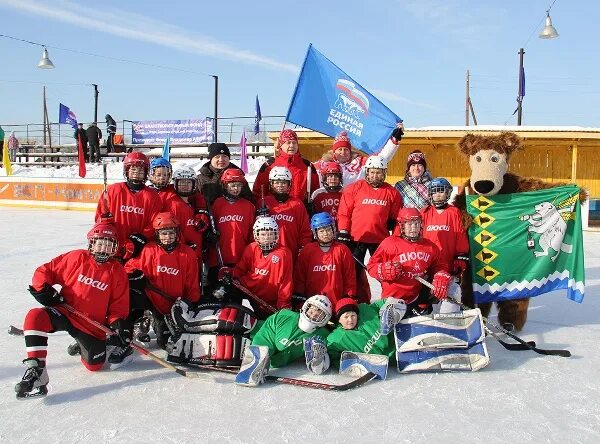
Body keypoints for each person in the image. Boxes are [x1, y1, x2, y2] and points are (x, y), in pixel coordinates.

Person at [14, 221, 130, 399]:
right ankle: (37, 370)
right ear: (92, 243)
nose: (103, 248)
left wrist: (118, 324)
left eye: (109, 244)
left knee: (94, 366)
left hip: (91, 326)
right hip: (65, 312)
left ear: (114, 248)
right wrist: (43, 289)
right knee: (35, 316)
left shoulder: (117, 271)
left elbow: (118, 306)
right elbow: (47, 270)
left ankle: (85, 344)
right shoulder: (76, 258)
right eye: (100, 243)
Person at [124, 212, 201, 351]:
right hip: (153, 300)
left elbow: (192, 282)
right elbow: (129, 266)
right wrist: (135, 276)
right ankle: (139, 321)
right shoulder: (149, 250)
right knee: (130, 295)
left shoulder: (187, 253)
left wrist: (190, 303)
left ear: (177, 233)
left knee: (166, 342)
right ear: (157, 234)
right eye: (163, 233)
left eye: (171, 233)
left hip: (174, 305)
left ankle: (157, 321)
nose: (168, 237)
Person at [367, 207, 459, 314]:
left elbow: (439, 264)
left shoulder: (430, 246)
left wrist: (441, 275)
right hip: (393, 299)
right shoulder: (389, 243)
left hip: (417, 297)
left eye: (416, 224)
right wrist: (383, 270)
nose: (413, 228)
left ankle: (449, 321)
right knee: (391, 318)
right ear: (401, 226)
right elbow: (371, 266)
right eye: (409, 224)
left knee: (453, 287)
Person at [337, 155, 403, 300]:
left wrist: (397, 238)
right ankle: (351, 300)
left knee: (386, 272)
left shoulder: (392, 193)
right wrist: (343, 231)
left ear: (384, 173)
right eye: (372, 172)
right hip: (356, 238)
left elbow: (397, 219)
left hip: (380, 240)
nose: (375, 175)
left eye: (378, 172)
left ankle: (390, 298)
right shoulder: (355, 188)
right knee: (353, 273)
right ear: (366, 172)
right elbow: (344, 212)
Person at [237, 295, 332, 385]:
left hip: (281, 358)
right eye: (312, 310)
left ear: (324, 319)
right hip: (252, 336)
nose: (313, 314)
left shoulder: (323, 334)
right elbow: (265, 335)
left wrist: (320, 358)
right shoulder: (283, 316)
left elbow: (332, 346)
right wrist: (260, 353)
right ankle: (255, 359)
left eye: (318, 314)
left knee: (318, 347)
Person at [94, 151, 162, 261]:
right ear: (127, 170)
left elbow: (155, 223)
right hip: (112, 248)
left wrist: (139, 240)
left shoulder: (153, 196)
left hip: (138, 251)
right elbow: (101, 216)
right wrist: (107, 234)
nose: (136, 172)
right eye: (133, 169)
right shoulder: (113, 190)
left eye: (141, 170)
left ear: (146, 172)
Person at [227, 216, 293, 316]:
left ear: (276, 234)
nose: (266, 238)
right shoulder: (251, 248)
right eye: (263, 234)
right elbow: (241, 269)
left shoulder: (283, 254)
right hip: (248, 293)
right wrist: (230, 274)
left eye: (270, 234)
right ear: (256, 235)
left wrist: (283, 305)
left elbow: (286, 282)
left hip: (269, 302)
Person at [205, 168, 255, 298]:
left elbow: (252, 234)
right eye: (232, 185)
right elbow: (209, 226)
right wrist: (209, 235)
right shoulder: (217, 204)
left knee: (236, 296)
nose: (236, 189)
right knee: (216, 296)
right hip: (218, 258)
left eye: (239, 185)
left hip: (239, 259)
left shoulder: (248, 206)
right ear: (225, 185)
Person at [293, 212, 357, 306]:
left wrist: (349, 296)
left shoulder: (342, 249)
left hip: (337, 302)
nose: (326, 234)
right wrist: (299, 296)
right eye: (321, 231)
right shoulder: (307, 251)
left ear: (333, 229)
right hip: (313, 304)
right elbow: (300, 277)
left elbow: (349, 277)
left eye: (328, 229)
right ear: (315, 232)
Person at [314, 123, 404, 188]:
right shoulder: (322, 164)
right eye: (339, 149)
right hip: (328, 203)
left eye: (346, 149)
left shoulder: (360, 163)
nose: (343, 152)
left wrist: (394, 140)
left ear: (350, 151)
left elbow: (381, 158)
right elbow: (304, 168)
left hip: (353, 204)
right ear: (334, 152)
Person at [252, 129, 320, 206]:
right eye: (288, 143)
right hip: (275, 211)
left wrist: (312, 205)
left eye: (294, 143)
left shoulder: (308, 166)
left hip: (300, 210)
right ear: (281, 144)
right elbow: (258, 192)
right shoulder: (269, 166)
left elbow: (316, 191)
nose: (291, 145)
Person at [420, 178, 470, 279]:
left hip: (448, 264)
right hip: (427, 264)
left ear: (448, 192)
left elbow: (460, 235)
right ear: (430, 193)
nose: (438, 194)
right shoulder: (424, 213)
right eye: (435, 191)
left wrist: (460, 257)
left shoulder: (454, 212)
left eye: (441, 191)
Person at [262, 166, 312, 259]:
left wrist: (303, 246)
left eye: (284, 183)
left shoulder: (297, 204)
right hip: (269, 252)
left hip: (292, 251)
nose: (280, 185)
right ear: (271, 184)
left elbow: (305, 230)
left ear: (289, 184)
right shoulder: (264, 202)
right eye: (277, 182)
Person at [326, 298, 393, 364]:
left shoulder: (367, 316)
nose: (350, 320)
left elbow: (384, 303)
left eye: (353, 315)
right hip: (379, 364)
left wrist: (394, 304)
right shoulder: (337, 338)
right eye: (346, 317)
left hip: (397, 349)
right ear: (339, 320)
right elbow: (332, 355)